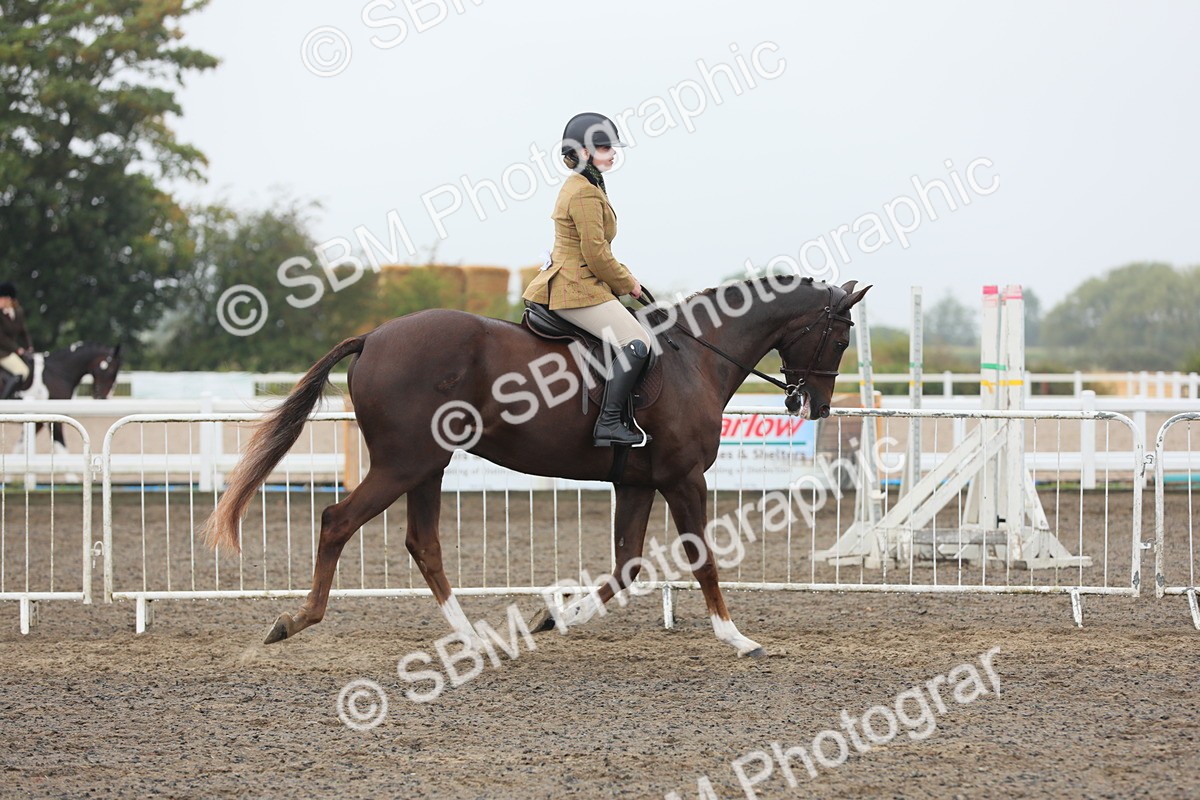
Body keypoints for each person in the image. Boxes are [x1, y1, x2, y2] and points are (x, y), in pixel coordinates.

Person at [523, 112, 652, 447]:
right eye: (604, 146)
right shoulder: (584, 192)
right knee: (637, 344)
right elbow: (595, 252)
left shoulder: (588, 184)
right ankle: (609, 423)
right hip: (574, 288)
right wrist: (628, 284)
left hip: (579, 281)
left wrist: (624, 278)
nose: (613, 152)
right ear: (581, 152)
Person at [0, 282, 33, 399]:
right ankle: (4, 401)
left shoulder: (18, 312)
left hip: (11, 351)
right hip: (2, 352)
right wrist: (17, 349)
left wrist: (29, 346)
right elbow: (1, 338)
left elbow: (24, 332)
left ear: (8, 299)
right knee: (22, 371)